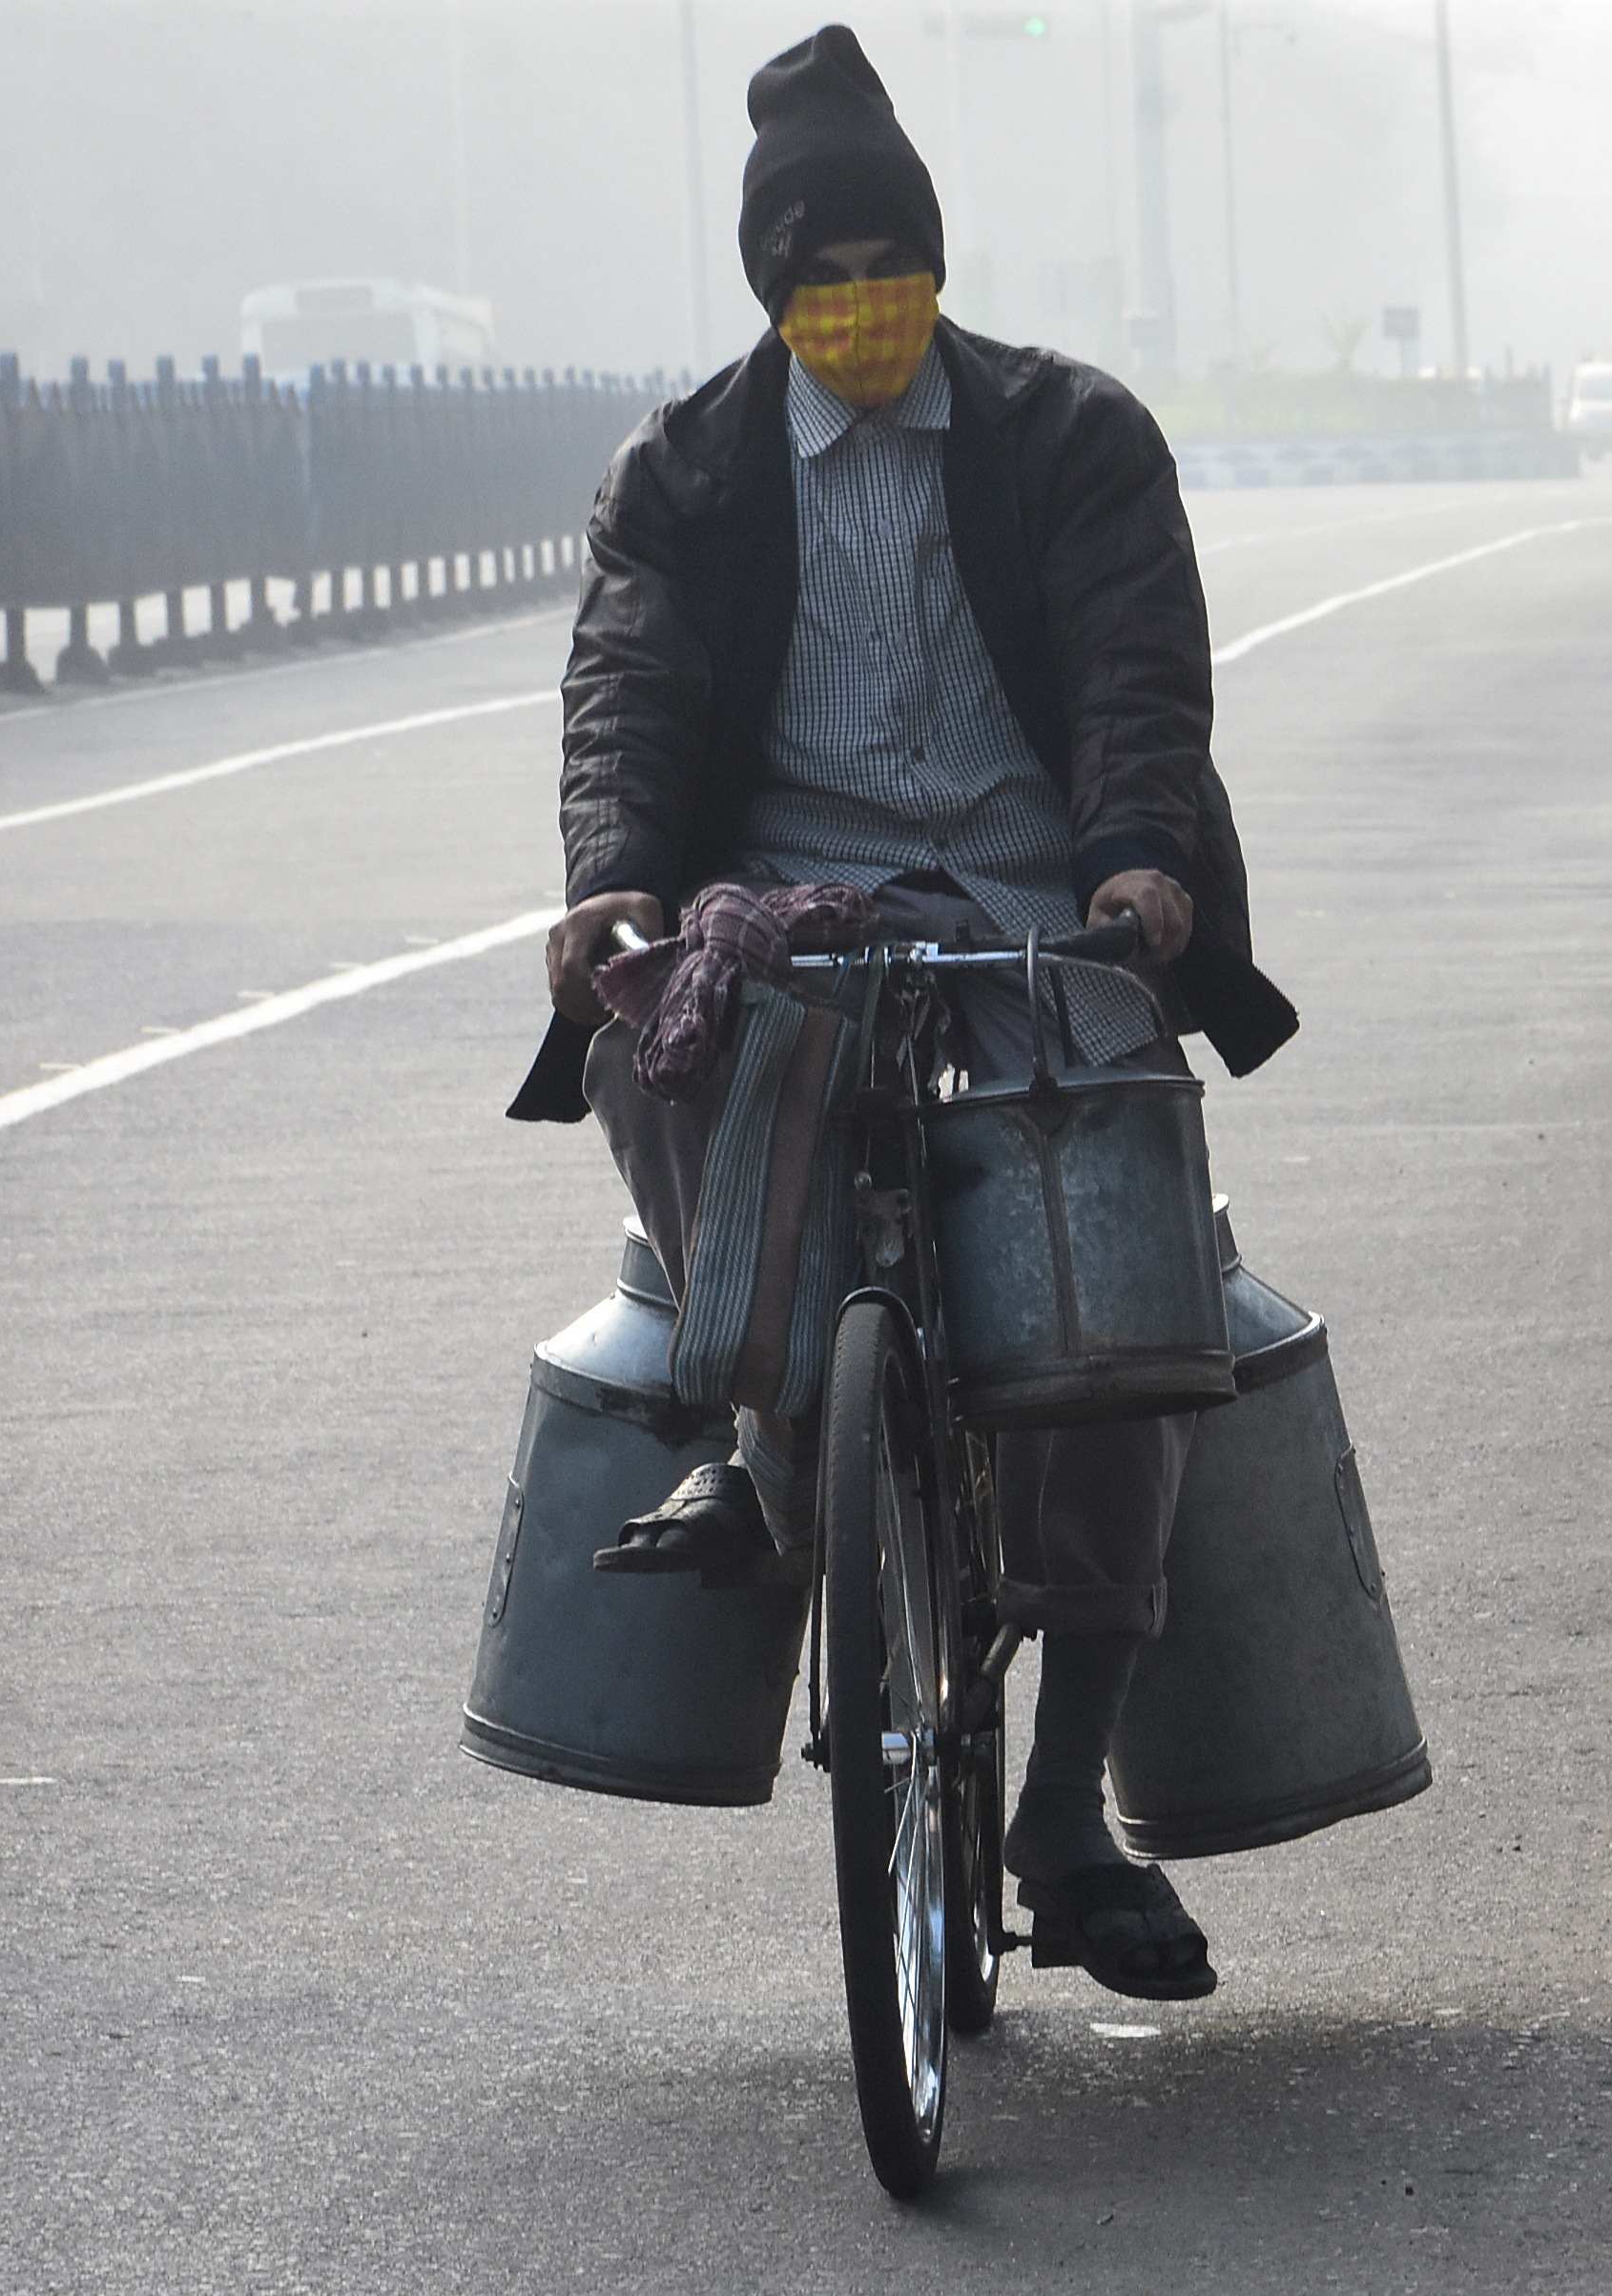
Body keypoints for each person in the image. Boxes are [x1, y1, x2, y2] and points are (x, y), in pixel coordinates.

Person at [506, 24, 1295, 2001]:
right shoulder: (684, 472)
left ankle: (1065, 1814)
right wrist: (614, 881)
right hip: (787, 908)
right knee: (652, 1039)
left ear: (935, 271)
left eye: (888, 274)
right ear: (770, 291)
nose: (857, 312)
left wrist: (1136, 861)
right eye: (817, 283)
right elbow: (626, 695)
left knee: (1123, 1327)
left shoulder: (1072, 438)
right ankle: (772, 1431)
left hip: (1051, 909)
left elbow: (1138, 671)